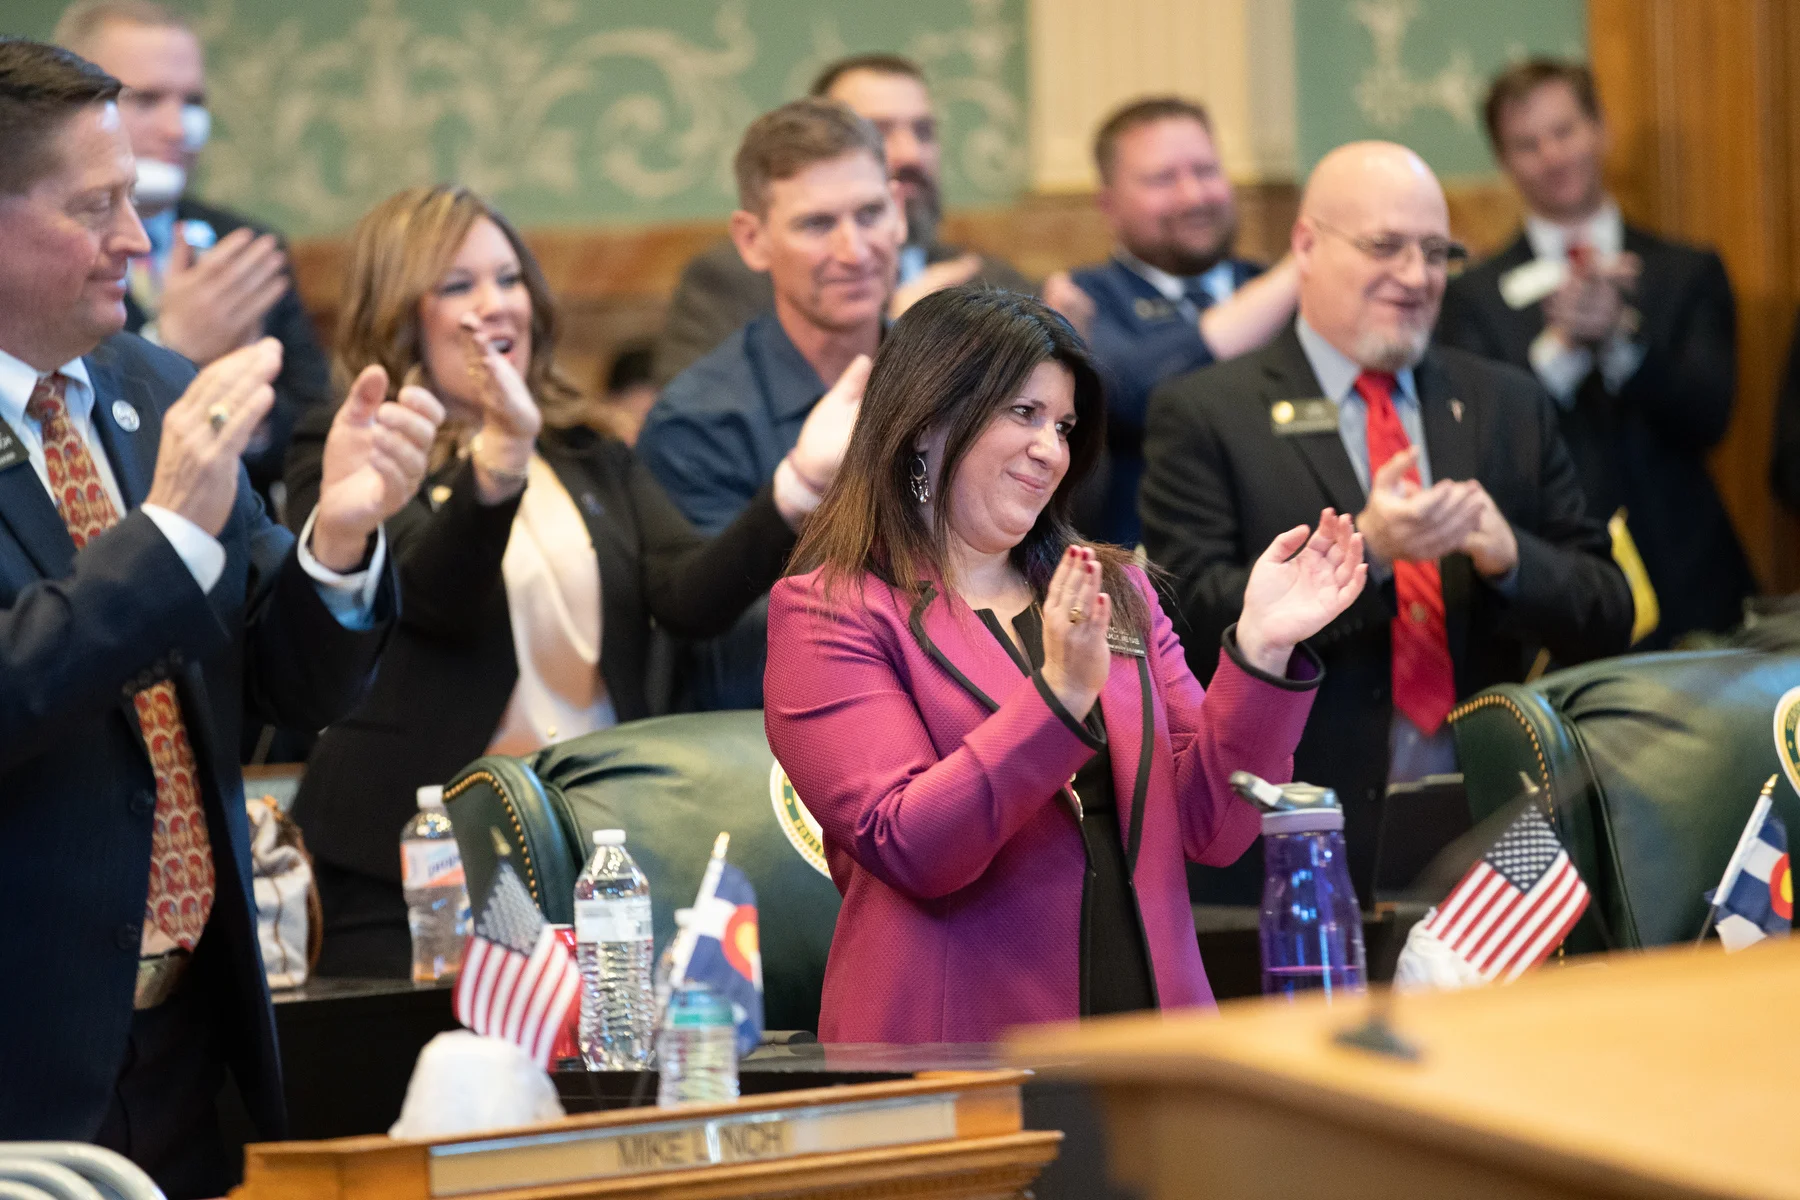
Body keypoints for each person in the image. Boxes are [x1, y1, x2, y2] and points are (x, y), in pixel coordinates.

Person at [0, 40, 441, 1198]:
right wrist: (168, 543)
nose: (136, 245)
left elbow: (289, 687)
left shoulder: (150, 389)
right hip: (25, 1059)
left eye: (135, 203)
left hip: (196, 1039)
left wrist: (338, 538)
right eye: (96, 208)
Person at [283, 185, 862, 978]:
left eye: (509, 278)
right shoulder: (355, 443)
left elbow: (688, 599)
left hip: (592, 854)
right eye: (458, 286)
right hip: (415, 872)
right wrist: (497, 468)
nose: (497, 305)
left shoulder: (587, 449)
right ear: (398, 311)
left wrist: (797, 483)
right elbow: (431, 600)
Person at [764, 286, 1364, 1041]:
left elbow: (1213, 829)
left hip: (1154, 1041)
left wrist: (1263, 650)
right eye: (1023, 414)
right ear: (925, 422)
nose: (1051, 448)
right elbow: (911, 843)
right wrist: (1055, 701)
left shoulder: (1113, 588)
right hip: (959, 1053)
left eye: (1065, 425)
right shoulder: (831, 610)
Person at [1141, 141, 1633, 902]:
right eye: (1385, 246)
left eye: (1436, 252)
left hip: (1495, 834)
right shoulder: (1207, 413)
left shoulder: (1507, 403)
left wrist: (1511, 559)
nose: (1415, 276)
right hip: (1295, 836)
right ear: (1305, 245)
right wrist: (1367, 551)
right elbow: (1191, 625)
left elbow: (1610, 613)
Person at [1437, 58, 1753, 646]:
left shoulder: (1685, 272)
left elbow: (1710, 417)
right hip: (1547, 592)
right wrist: (1558, 349)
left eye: (1565, 131)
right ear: (1504, 161)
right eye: (1527, 144)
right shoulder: (1472, 298)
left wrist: (1620, 339)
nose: (1552, 157)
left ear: (1601, 129)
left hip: (1691, 578)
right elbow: (1483, 443)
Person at [637, 98, 899, 708]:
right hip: (762, 750)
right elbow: (694, 609)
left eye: (870, 213)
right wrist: (799, 491)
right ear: (752, 241)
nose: (854, 250)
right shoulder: (698, 418)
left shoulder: (952, 377)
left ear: (900, 211)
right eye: (816, 225)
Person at [55, 0, 333, 517]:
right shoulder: (40, 248)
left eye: (192, 101)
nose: (179, 128)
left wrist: (243, 410)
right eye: (145, 99)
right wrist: (169, 349)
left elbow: (315, 430)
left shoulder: (246, 247)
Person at [651, 53, 1030, 386]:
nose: (911, 153)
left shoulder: (989, 282)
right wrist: (903, 337)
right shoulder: (727, 283)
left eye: (923, 131)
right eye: (878, 132)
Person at [1041, 97, 1299, 546]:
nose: (1193, 196)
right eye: (1163, 179)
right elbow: (1126, 392)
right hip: (1146, 579)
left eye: (1206, 171)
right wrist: (1300, 269)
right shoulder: (1083, 300)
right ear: (1108, 204)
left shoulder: (1276, 288)